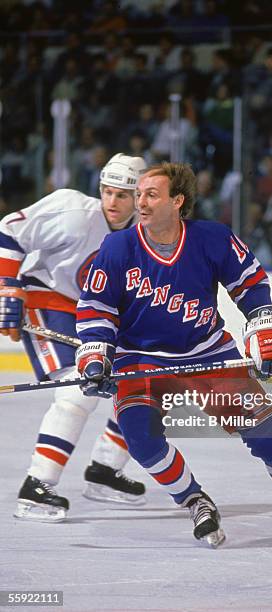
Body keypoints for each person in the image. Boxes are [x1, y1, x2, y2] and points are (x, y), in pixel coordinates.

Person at [75, 162, 272, 547]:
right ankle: (194, 500)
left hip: (207, 352)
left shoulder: (213, 238)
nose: (140, 202)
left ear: (178, 201)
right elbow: (96, 307)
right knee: (140, 438)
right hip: (139, 358)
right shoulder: (118, 247)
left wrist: (264, 328)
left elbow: (251, 284)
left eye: (151, 195)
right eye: (139, 194)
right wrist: (95, 355)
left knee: (267, 434)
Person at [0, 154, 147, 522]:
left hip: (91, 316)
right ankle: (37, 487)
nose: (112, 202)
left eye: (123, 195)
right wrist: (6, 287)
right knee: (76, 391)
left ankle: (105, 470)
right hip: (46, 299)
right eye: (107, 192)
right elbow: (9, 228)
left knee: (147, 381)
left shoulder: (145, 237)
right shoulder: (74, 213)